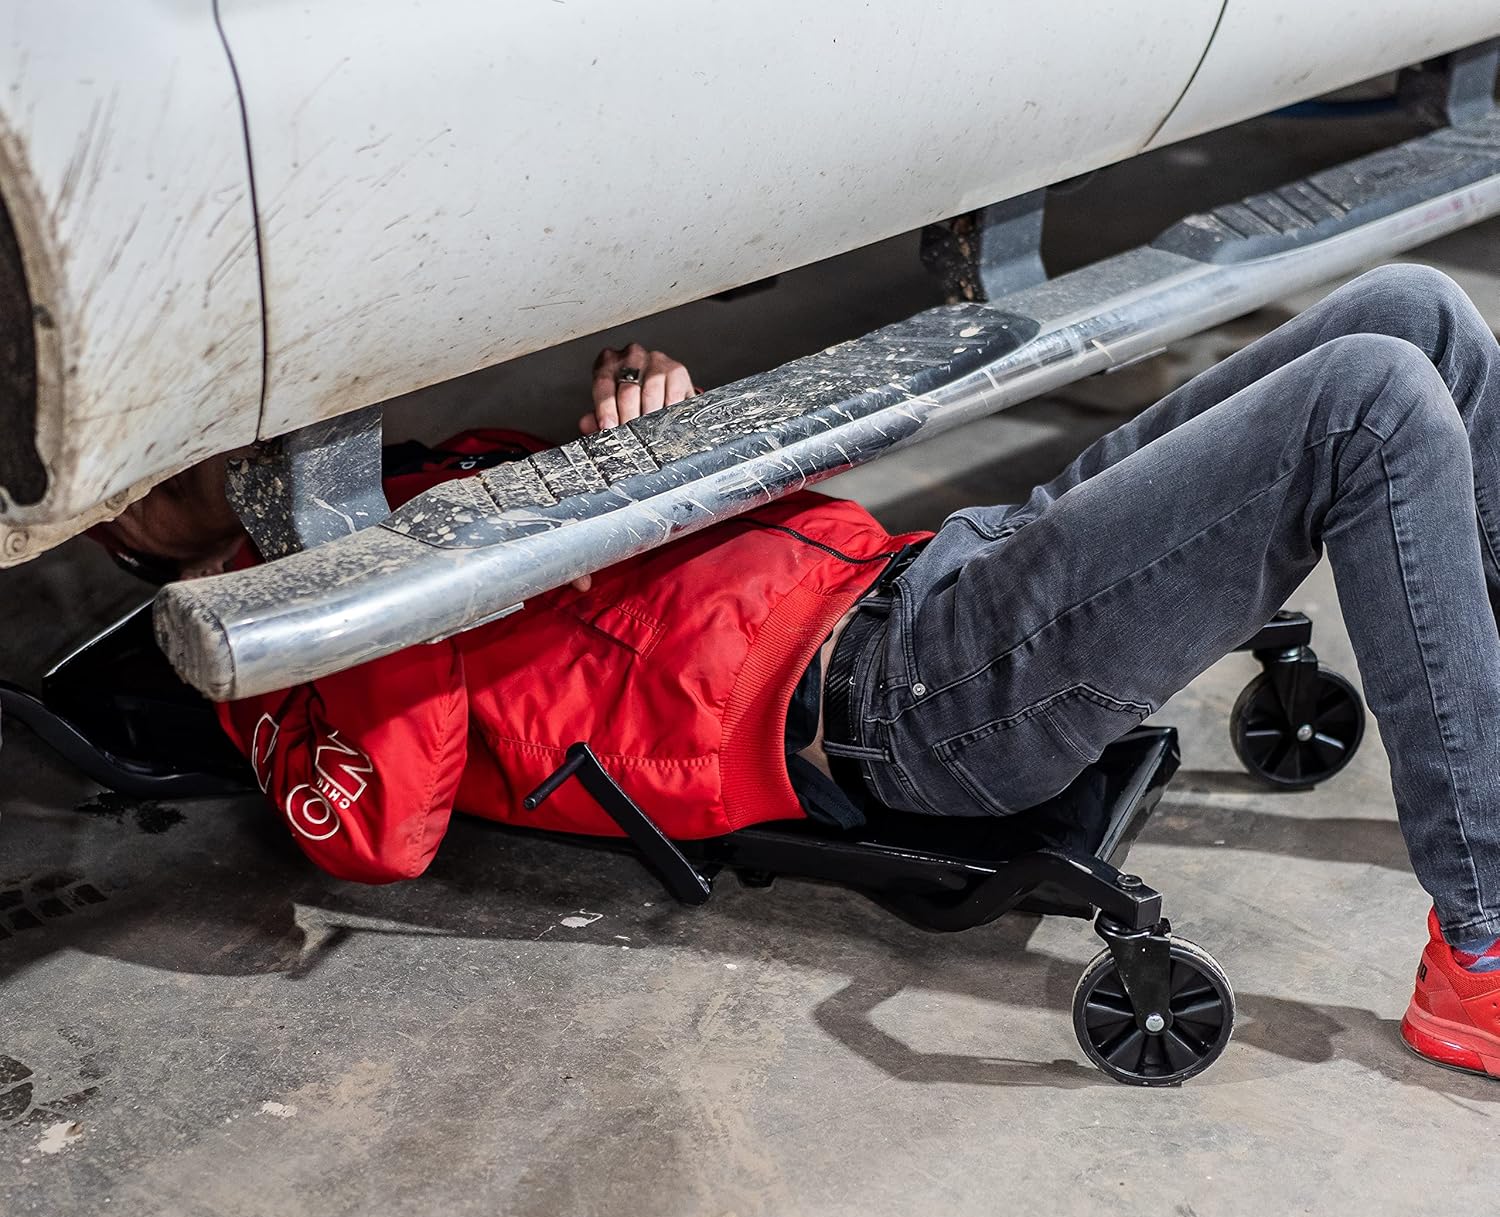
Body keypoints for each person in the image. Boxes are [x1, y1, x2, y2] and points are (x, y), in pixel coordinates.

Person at [96, 266, 1500, 1080]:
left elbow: (694, 564)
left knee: (1416, 310)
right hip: (911, 701)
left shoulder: (405, 478)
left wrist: (660, 445)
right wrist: (349, 590)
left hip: (927, 574)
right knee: (1369, 404)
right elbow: (383, 829)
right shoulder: (271, 658)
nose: (186, 458)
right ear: (133, 547)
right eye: (145, 483)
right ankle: (1482, 947)